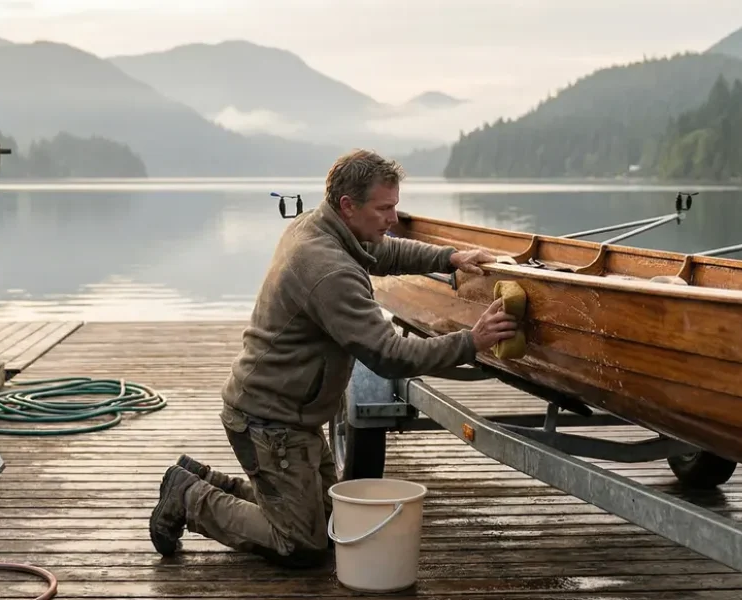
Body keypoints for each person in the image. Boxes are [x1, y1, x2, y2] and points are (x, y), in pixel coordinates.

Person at [148, 149, 519, 567]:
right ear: (348, 205)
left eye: (394, 206)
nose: (393, 218)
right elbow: (390, 355)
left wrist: (448, 258)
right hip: (269, 421)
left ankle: (202, 479)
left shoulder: (320, 225)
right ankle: (189, 497)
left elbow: (384, 253)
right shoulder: (329, 270)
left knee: (326, 521)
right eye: (384, 208)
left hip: (291, 413)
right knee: (301, 544)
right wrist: (471, 341)